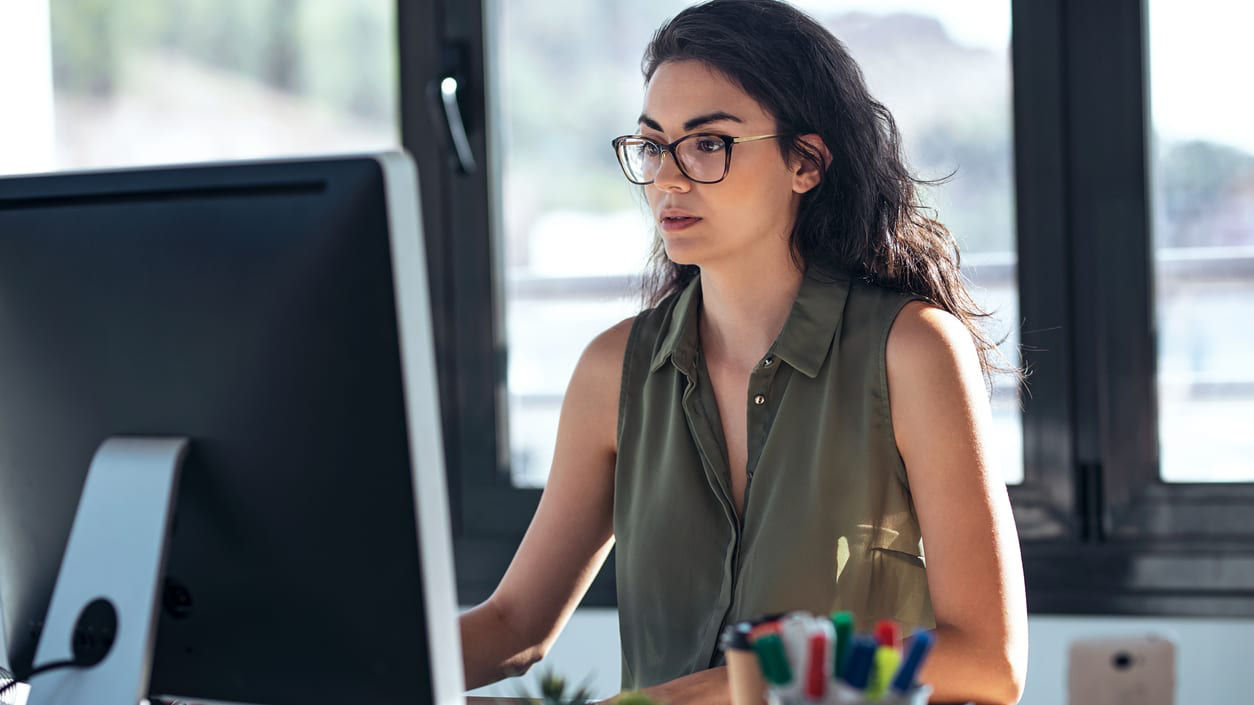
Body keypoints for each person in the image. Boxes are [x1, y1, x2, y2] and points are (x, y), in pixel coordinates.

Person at [459, 1, 1028, 703]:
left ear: (806, 163)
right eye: (652, 146)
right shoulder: (614, 372)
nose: (668, 178)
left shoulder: (912, 352)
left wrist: (746, 679)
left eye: (708, 144)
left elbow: (989, 661)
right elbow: (515, 624)